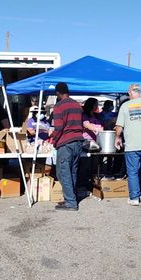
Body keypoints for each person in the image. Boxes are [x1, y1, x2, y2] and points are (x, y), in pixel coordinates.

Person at [50, 82, 84, 211]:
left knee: (63, 173)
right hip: (78, 142)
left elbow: (58, 127)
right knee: (72, 172)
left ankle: (70, 202)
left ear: (58, 93)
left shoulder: (59, 106)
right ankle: (71, 198)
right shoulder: (77, 105)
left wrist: (54, 140)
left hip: (66, 142)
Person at [78, 97, 104, 192]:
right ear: (92, 105)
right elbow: (86, 124)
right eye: (96, 104)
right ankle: (82, 186)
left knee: (94, 165)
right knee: (85, 165)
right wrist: (98, 129)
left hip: (95, 143)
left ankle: (90, 185)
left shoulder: (95, 115)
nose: (97, 106)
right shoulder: (84, 114)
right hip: (86, 143)